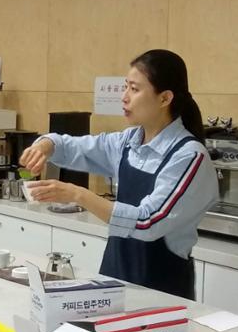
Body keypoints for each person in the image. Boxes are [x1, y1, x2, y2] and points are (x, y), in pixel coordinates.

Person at [21, 49, 217, 300]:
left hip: (163, 292)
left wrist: (78, 194)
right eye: (125, 87)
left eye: (134, 89)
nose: (124, 97)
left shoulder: (189, 156)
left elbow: (148, 222)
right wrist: (45, 145)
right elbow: (72, 146)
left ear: (164, 98)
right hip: (113, 280)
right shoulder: (128, 141)